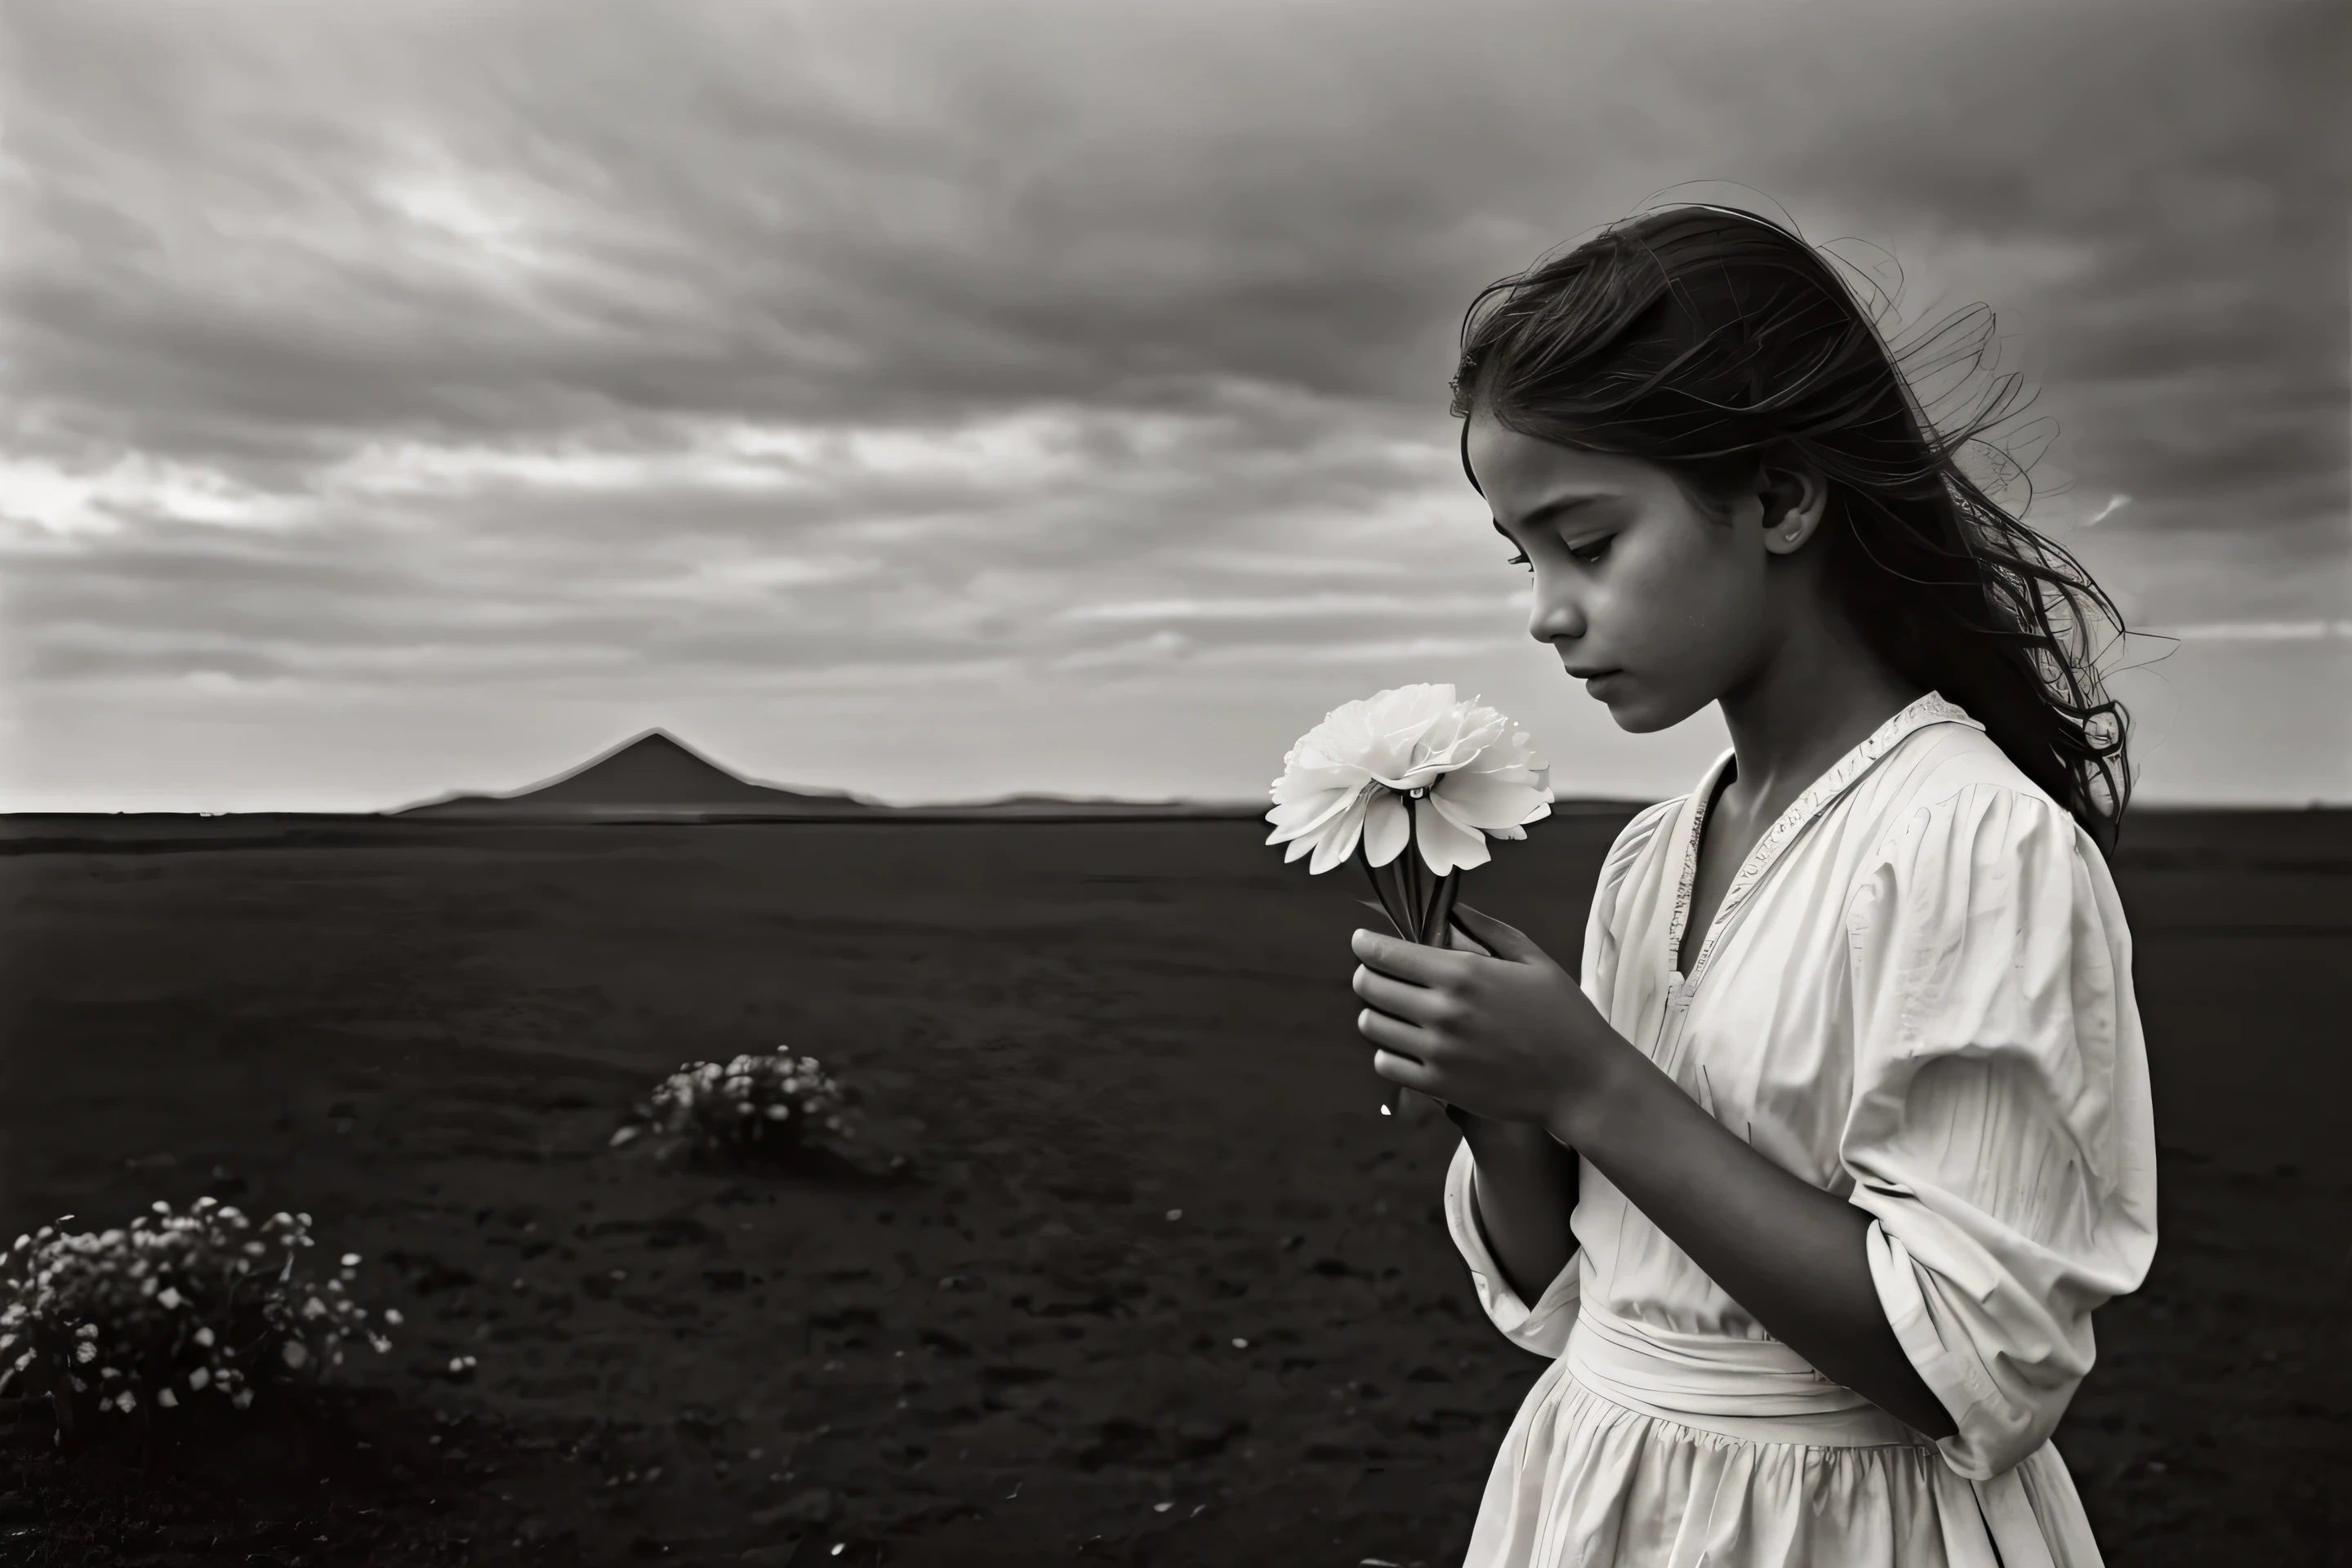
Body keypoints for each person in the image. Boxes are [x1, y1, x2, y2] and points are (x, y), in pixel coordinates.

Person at [1346, 205, 2157, 1566]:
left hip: (1844, 1526)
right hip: (1593, 1495)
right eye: (1523, 555)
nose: (1546, 610)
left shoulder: (1966, 839)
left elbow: (1974, 1355)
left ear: (1781, 498)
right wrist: (1501, 1104)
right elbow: (1575, 1288)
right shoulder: (1651, 855)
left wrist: (1591, 1083)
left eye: (1588, 541)